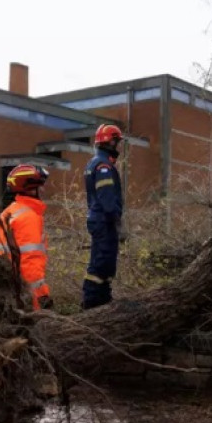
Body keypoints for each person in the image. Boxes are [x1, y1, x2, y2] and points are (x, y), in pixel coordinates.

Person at [0, 164, 53, 310]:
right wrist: (42, 297)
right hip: (26, 296)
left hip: (8, 290)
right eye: (40, 186)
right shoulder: (28, 217)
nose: (43, 190)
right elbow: (30, 262)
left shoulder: (10, 212)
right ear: (31, 189)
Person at [82, 124, 124, 309]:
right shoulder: (103, 166)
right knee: (101, 262)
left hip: (99, 220)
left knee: (104, 263)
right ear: (111, 141)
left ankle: (103, 300)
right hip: (104, 221)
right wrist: (117, 220)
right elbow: (107, 197)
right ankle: (92, 302)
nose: (118, 146)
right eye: (117, 142)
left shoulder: (95, 163)